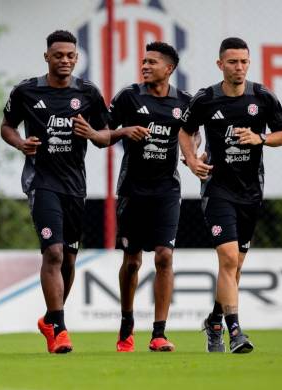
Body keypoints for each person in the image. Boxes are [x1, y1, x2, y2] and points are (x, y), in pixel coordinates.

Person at [0, 30, 109, 354]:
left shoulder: (88, 93)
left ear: (77, 58)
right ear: (46, 57)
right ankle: (60, 329)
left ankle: (50, 318)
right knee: (54, 253)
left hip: (74, 186)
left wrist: (91, 132)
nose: (64, 60)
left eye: (70, 56)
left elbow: (105, 134)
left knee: (70, 259)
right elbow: (6, 126)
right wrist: (20, 143)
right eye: (58, 55)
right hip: (41, 181)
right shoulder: (27, 91)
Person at [179, 37, 282, 353]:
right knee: (228, 258)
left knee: (235, 267)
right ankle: (235, 332)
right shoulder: (205, 99)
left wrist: (260, 138)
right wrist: (191, 160)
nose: (238, 67)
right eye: (232, 62)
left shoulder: (263, 97)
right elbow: (185, 131)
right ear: (220, 65)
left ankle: (214, 320)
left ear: (248, 63)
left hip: (250, 192)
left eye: (243, 61)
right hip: (217, 189)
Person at [107, 42, 191, 352]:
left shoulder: (184, 102)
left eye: (152, 62)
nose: (145, 65)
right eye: (143, 60)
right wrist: (125, 131)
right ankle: (127, 322)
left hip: (167, 190)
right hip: (132, 190)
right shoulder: (129, 96)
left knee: (164, 256)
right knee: (132, 262)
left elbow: (192, 132)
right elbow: (104, 131)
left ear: (168, 69)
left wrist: (191, 154)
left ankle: (159, 333)